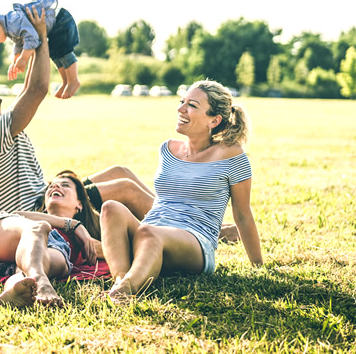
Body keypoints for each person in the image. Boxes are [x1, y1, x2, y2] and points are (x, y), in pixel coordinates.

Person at [0, 6, 154, 219]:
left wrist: (31, 38)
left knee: (120, 173)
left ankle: (173, 220)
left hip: (47, 198)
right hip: (41, 213)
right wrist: (41, 36)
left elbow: (27, 89)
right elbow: (37, 90)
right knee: (125, 188)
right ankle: (176, 234)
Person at [100, 80, 263, 303]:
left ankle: (125, 291)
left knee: (149, 234)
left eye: (192, 105)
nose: (180, 109)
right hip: (151, 230)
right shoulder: (167, 149)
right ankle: (122, 281)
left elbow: (242, 214)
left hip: (195, 242)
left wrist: (258, 266)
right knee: (111, 208)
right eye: (182, 102)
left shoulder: (232, 156)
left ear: (214, 120)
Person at [0, 171, 102, 308]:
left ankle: (13, 290)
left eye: (65, 185)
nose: (55, 187)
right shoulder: (34, 218)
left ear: (79, 204)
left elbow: (113, 250)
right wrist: (71, 224)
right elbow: (16, 214)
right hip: (5, 238)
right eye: (51, 186)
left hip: (50, 252)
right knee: (39, 227)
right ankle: (41, 281)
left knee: (28, 269)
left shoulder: (85, 240)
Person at [0, 0, 80, 98]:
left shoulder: (13, 22)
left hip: (60, 20)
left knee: (63, 51)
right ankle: (66, 81)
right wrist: (16, 59)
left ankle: (73, 81)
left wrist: (24, 58)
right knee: (55, 54)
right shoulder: (10, 28)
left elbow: (31, 38)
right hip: (56, 25)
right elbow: (19, 42)